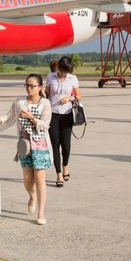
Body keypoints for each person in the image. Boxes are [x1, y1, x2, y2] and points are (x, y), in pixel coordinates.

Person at [0, 74, 52, 225]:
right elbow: (10, 116)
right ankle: (32, 196)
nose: (29, 88)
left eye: (32, 86)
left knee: (39, 179)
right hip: (25, 145)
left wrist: (32, 118)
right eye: (27, 85)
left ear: (40, 87)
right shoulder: (19, 102)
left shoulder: (45, 103)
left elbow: (45, 125)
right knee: (27, 180)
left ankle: (41, 211)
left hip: (41, 145)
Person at [45, 56, 81, 188]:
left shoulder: (73, 78)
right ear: (58, 67)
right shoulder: (50, 77)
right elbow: (47, 94)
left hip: (67, 115)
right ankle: (58, 174)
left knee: (66, 144)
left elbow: (79, 96)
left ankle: (65, 165)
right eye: (62, 71)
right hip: (52, 114)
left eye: (66, 72)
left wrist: (70, 98)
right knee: (55, 144)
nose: (64, 74)